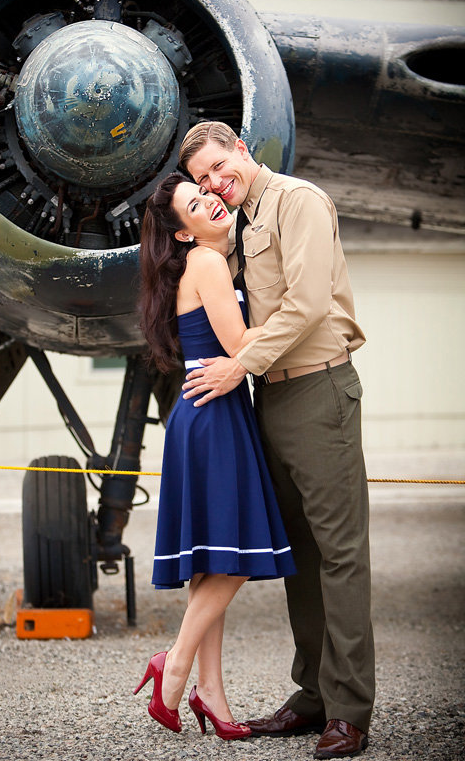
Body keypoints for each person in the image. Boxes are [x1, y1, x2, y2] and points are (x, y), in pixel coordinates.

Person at [178, 121, 375, 760]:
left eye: (216, 166)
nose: (213, 183)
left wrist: (240, 364)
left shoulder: (298, 201)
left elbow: (308, 303)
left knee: (340, 555)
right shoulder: (237, 225)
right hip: (271, 398)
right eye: (202, 180)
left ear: (239, 146)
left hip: (319, 391)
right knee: (303, 556)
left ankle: (347, 712)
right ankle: (311, 697)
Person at [134, 172, 295, 740]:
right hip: (213, 418)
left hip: (213, 413)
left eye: (207, 195)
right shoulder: (204, 262)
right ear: (182, 233)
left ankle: (214, 699)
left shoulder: (210, 264)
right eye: (194, 206)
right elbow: (240, 346)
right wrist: (302, 318)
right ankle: (173, 665)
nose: (211, 205)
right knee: (238, 558)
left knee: (216, 560)